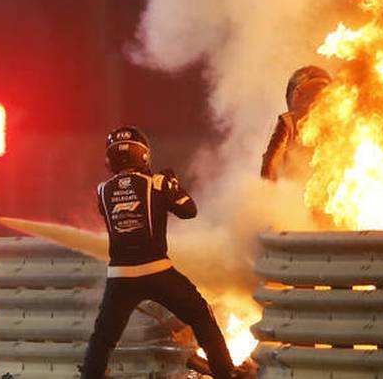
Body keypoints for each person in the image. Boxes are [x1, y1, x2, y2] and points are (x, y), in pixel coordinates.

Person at [79, 126, 236, 379]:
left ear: (110, 159)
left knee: (104, 337)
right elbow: (189, 211)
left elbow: (125, 200)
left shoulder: (102, 190)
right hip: (157, 271)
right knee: (200, 315)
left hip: (119, 277)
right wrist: (173, 185)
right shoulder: (158, 183)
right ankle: (226, 372)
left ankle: (90, 375)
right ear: (143, 155)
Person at [260, 65, 331, 181]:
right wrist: (269, 192)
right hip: (293, 189)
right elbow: (270, 164)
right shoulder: (288, 123)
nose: (321, 98)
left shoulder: (336, 124)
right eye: (316, 92)